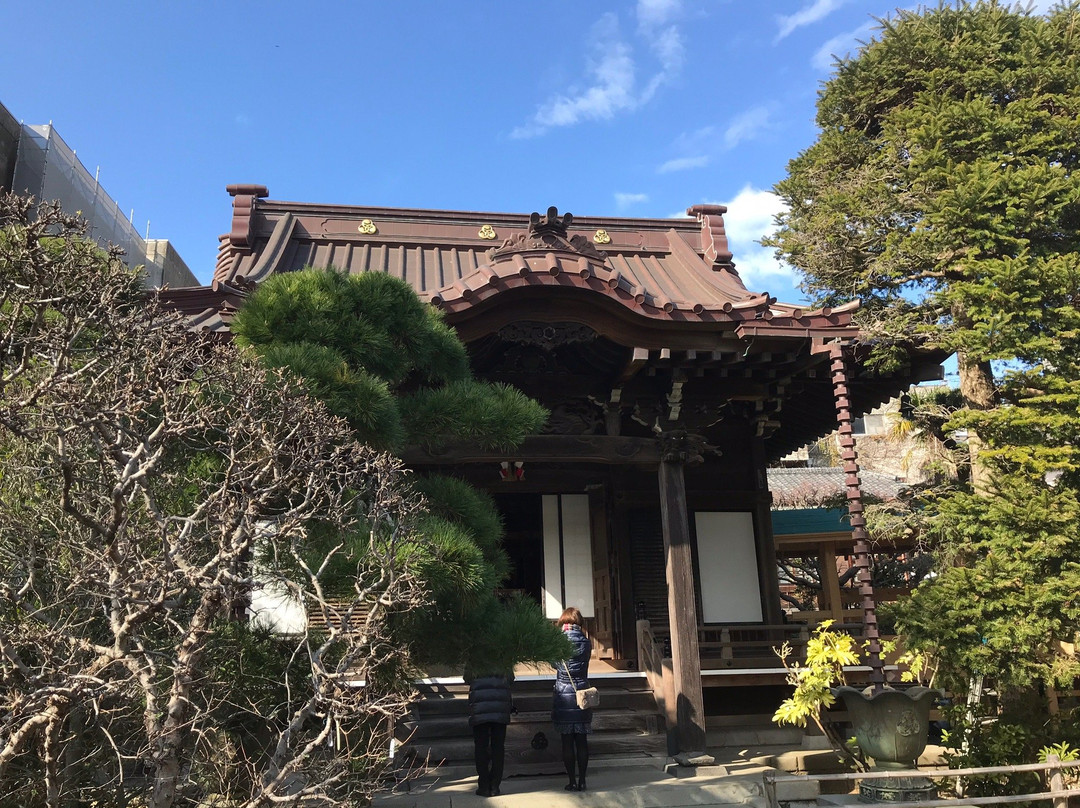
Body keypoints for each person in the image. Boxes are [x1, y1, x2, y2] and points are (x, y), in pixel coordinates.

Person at [551, 606, 592, 792]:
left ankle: (571, 781)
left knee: (567, 741)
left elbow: (554, 664)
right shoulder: (586, 642)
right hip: (581, 693)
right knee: (582, 741)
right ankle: (583, 780)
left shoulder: (559, 642)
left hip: (563, 693)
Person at [467, 670, 513, 797]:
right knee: (498, 747)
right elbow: (510, 677)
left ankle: (483, 785)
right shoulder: (504, 654)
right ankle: (495, 786)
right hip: (500, 704)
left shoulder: (474, 652)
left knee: (481, 746)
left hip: (480, 705)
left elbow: (467, 677)